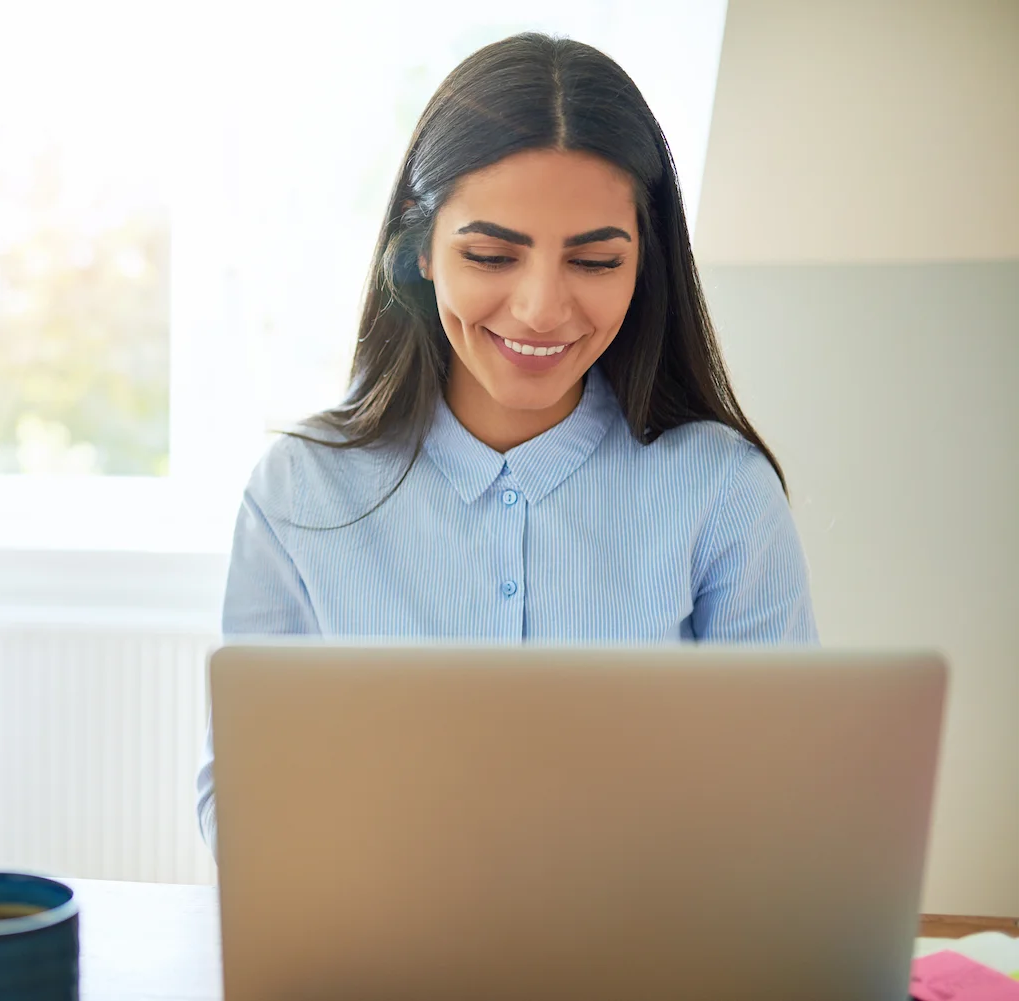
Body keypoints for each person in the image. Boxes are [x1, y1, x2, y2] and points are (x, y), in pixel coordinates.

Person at [196, 33, 816, 854]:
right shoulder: (299, 492)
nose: (540, 309)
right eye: (491, 254)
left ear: (645, 266)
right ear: (419, 251)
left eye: (595, 261)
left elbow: (787, 795)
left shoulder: (721, 491)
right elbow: (244, 801)